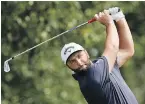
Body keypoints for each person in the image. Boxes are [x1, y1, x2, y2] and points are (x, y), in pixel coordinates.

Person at [61, 7, 138, 104]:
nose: (79, 62)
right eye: (72, 61)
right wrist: (109, 23)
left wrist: (119, 18)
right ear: (68, 66)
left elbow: (127, 50)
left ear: (86, 53)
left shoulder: (102, 67)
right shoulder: (93, 78)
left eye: (79, 56)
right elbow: (113, 47)